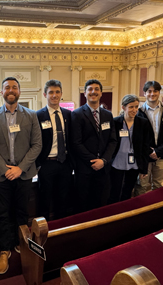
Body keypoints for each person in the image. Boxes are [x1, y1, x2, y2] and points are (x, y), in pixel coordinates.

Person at [0, 77, 42, 274]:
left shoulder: (32, 115)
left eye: (14, 87)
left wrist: (20, 168)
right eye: (7, 87)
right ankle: (4, 249)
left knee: (22, 211)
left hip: (24, 175)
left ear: (19, 91)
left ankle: (21, 243)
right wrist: (5, 169)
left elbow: (37, 145)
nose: (11, 90)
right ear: (1, 92)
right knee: (2, 213)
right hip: (1, 176)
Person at [71, 79, 117, 212]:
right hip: (84, 169)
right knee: (82, 205)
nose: (93, 92)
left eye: (97, 89)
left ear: (101, 93)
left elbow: (112, 141)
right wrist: (93, 161)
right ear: (85, 93)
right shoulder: (77, 114)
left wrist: (103, 161)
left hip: (103, 169)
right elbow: (76, 142)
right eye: (90, 89)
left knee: (101, 204)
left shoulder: (108, 115)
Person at [36, 79, 73, 220]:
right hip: (46, 164)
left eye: (57, 92)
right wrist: (37, 165)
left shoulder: (68, 115)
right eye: (51, 92)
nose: (54, 95)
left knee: (63, 201)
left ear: (61, 94)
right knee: (44, 201)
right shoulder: (38, 116)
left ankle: (61, 232)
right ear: (45, 94)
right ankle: (43, 235)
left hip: (65, 164)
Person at [135, 81, 163, 195]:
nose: (152, 94)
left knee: (159, 184)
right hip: (144, 156)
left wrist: (158, 151)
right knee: (141, 185)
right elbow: (136, 137)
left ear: (159, 93)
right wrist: (150, 151)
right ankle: (140, 211)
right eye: (149, 91)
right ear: (144, 93)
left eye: (155, 91)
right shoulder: (138, 112)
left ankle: (156, 210)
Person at [108, 95, 150, 204]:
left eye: (136, 107)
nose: (134, 110)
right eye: (131, 107)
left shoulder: (143, 123)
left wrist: (144, 168)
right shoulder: (115, 122)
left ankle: (124, 212)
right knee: (114, 191)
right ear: (123, 107)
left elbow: (145, 146)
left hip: (134, 163)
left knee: (128, 190)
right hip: (117, 162)